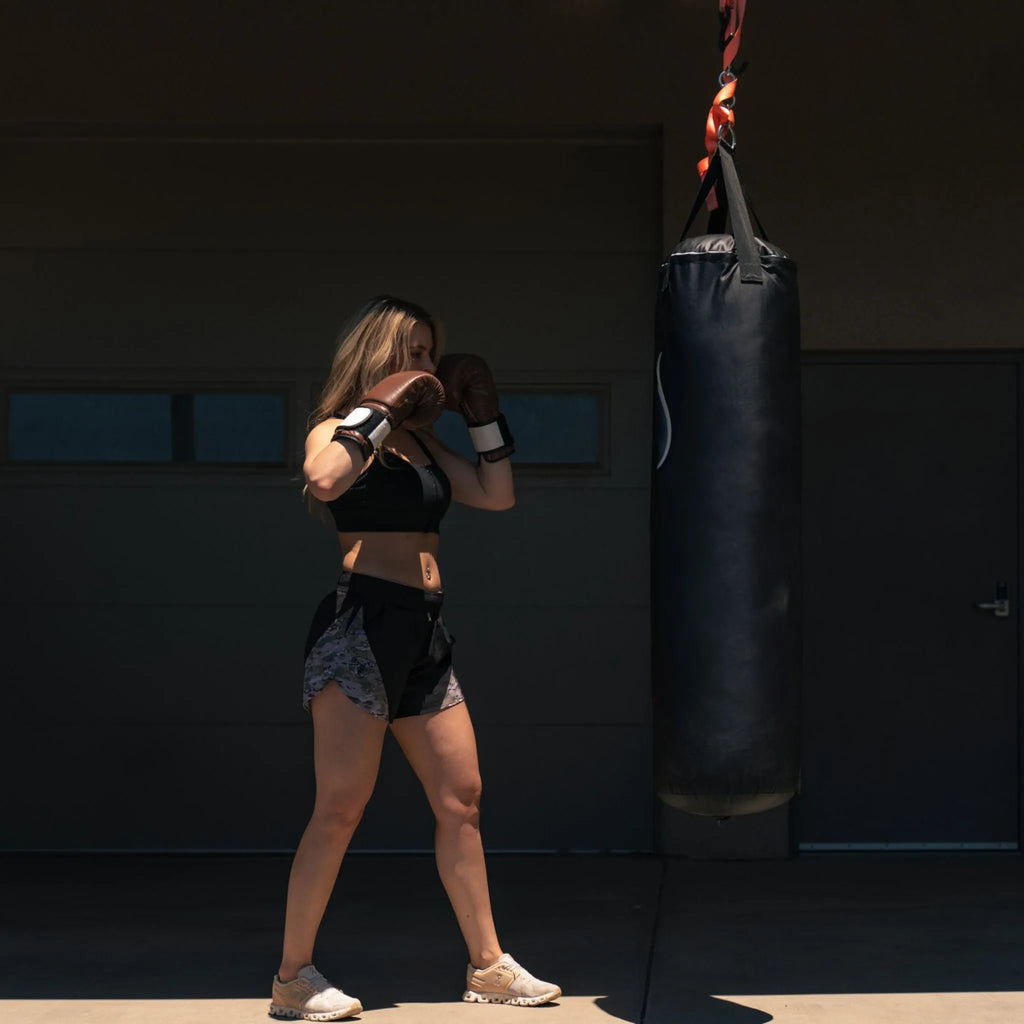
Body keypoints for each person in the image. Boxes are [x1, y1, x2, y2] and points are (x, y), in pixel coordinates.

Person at [269, 296, 561, 1021]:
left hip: (424, 631)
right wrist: (378, 408)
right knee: (340, 808)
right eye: (413, 353)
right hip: (359, 627)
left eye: (432, 353)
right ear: (378, 359)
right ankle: (291, 979)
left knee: (462, 800)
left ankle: (489, 967)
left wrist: (480, 413)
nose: (426, 367)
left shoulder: (424, 448)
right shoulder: (337, 431)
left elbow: (497, 494)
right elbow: (326, 480)